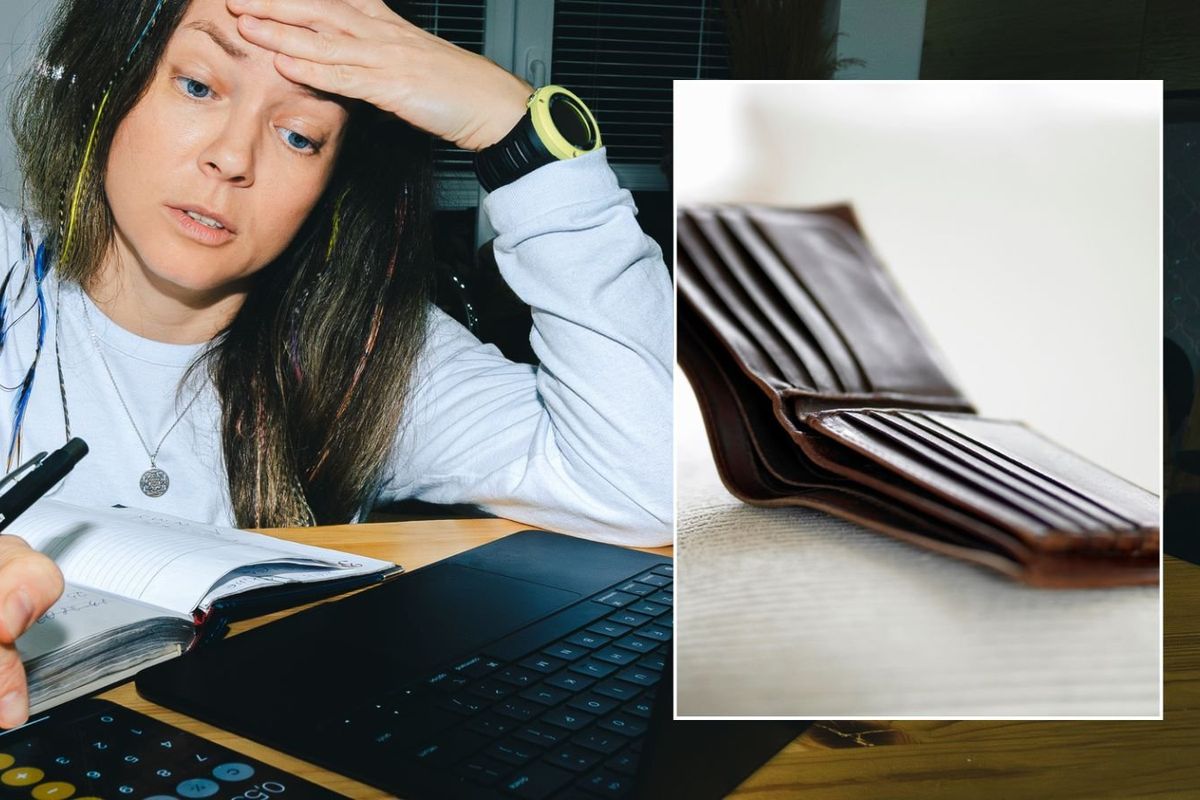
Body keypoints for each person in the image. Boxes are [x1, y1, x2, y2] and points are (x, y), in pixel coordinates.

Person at [0, 0, 672, 728]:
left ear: (331, 187)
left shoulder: (367, 356)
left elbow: (650, 484)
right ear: (110, 84)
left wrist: (515, 131)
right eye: (198, 87)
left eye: (298, 135)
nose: (232, 157)